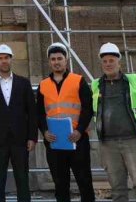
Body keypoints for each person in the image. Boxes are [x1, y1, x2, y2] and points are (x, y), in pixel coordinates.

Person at [92, 42, 136, 202]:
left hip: (133, 141)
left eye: (111, 60)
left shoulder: (133, 81)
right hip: (108, 144)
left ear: (119, 62)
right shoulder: (96, 85)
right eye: (105, 61)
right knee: (117, 188)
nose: (108, 64)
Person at [36, 42, 95, 202]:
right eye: (53, 59)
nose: (56, 62)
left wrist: (79, 130)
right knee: (60, 185)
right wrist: (45, 132)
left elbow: (88, 108)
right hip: (55, 142)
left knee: (84, 182)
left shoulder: (78, 81)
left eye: (59, 58)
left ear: (66, 60)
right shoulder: (43, 85)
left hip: (77, 140)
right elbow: (40, 113)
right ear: (49, 62)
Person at [0, 44, 37, 202]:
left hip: (20, 140)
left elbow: (32, 112)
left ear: (11, 60)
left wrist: (32, 137)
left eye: (6, 58)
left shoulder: (24, 83)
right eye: (0, 58)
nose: (3, 61)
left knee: (22, 179)